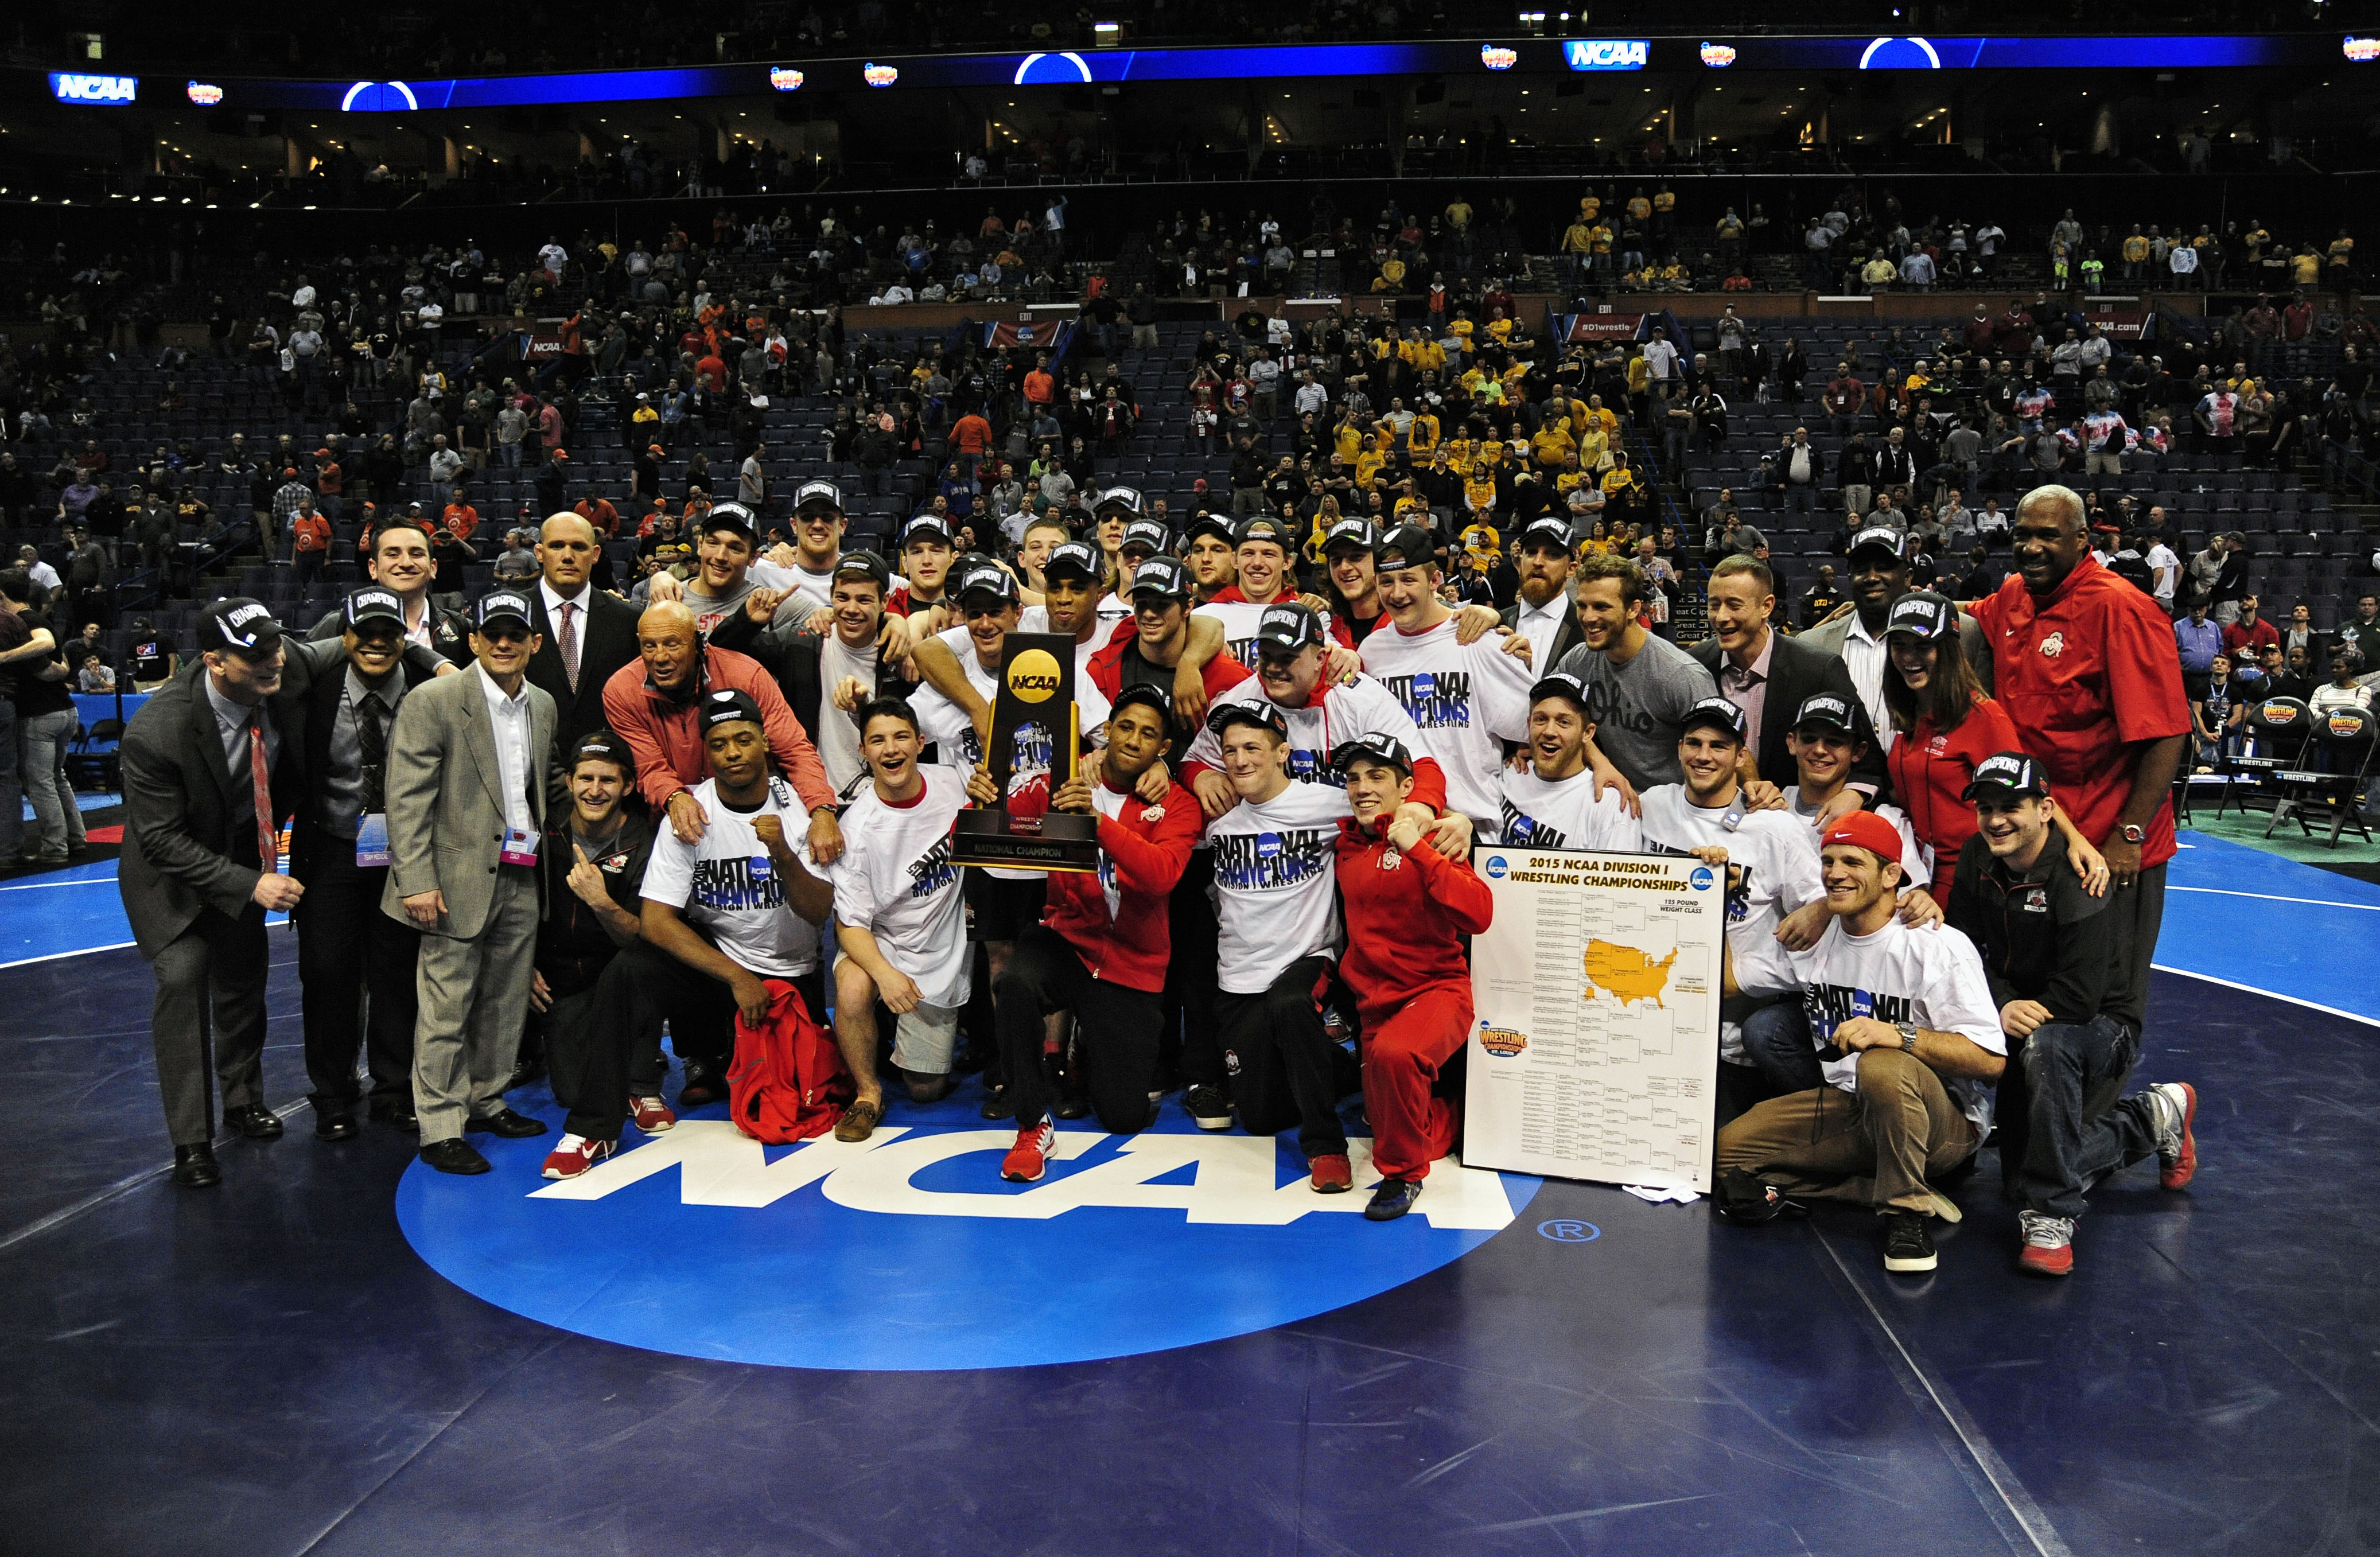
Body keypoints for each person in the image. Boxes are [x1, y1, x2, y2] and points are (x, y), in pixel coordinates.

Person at [1715, 810, 2009, 1275]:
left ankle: (1906, 1213)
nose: (1835, 874)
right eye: (1828, 861)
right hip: (1852, 1107)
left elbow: (1991, 1061)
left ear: (1893, 875)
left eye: (1852, 862)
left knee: (1882, 1063)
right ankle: (1868, 1187)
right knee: (1724, 1159)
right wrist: (1715, 897)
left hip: (1943, 1124)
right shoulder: (1813, 937)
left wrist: (1900, 1035)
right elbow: (1727, 980)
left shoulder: (1935, 945)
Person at [1945, 752, 2200, 1277]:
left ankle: (2052, 1216)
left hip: (2102, 1023)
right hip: (2023, 1011)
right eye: (1986, 807)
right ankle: (2155, 1119)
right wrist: (2000, 1002)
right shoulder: (1976, 855)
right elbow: (1960, 951)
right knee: (2022, 1171)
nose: (1996, 820)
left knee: (2050, 1044)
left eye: (2011, 806)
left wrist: (2003, 1010)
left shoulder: (2079, 872)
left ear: (2046, 809)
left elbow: (2081, 997)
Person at [594, 690, 843, 1175]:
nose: (733, 753)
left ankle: (726, 1052)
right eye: (720, 743)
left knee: (794, 1101)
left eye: (744, 740)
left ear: (765, 744)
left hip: (793, 974)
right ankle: (591, 1127)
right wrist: (736, 977)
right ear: (707, 752)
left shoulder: (802, 810)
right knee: (630, 969)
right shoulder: (690, 812)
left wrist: (785, 856)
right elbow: (656, 920)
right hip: (722, 969)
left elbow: (819, 913)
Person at [1977, 485, 2190, 1043]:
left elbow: (2166, 733)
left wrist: (2130, 833)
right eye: (2022, 534)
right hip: (2049, 838)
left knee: (2104, 1006)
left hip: (2111, 841)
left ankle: (2136, 1123)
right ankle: (2060, 1122)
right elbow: (1966, 615)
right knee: (2049, 997)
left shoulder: (2120, 608)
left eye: (2047, 534)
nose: (2031, 546)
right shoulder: (2013, 597)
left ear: (2081, 540)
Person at [118, 600, 309, 1187]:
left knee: (243, 979)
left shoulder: (282, 667)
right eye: (255, 656)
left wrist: (434, 663)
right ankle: (191, 1139)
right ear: (214, 661)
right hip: (170, 878)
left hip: (242, 850)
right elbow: (163, 843)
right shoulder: (157, 730)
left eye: (275, 646)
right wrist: (250, 882)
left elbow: (338, 644)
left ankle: (243, 1097)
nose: (273, 661)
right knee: (183, 976)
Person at [383, 590, 559, 1175]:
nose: (505, 644)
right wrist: (415, 880)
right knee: (446, 1003)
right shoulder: (433, 699)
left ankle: (486, 1097)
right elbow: (406, 799)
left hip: (521, 869)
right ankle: (439, 1124)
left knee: (506, 997)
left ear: (534, 643)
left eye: (516, 634)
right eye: (494, 635)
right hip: (451, 877)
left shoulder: (543, 703)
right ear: (475, 641)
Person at [993, 684, 1200, 1181]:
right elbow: (1000, 824)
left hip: (1132, 963)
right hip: (1068, 940)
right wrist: (986, 794)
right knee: (1014, 983)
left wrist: (1097, 822)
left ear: (1163, 751)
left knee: (1123, 1117)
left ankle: (1084, 1053)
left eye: (1148, 734)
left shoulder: (1178, 805)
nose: (1133, 740)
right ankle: (1031, 1123)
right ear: (1106, 731)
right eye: (1125, 726)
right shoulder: (1065, 776)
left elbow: (1161, 875)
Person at [282, 587, 457, 1139]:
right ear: (346, 636)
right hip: (332, 848)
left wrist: (432, 659)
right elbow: (283, 653)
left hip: (409, 852)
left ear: (405, 638)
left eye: (390, 632)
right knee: (327, 973)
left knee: (399, 975)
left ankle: (394, 1089)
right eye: (365, 632)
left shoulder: (433, 690)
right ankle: (332, 1094)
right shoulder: (315, 685)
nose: (377, 642)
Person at [1635, 698, 1828, 1124]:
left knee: (1718, 1162)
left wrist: (1745, 972)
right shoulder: (1651, 806)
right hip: (1655, 1016)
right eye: (1694, 743)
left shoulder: (1775, 828)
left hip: (1735, 1037)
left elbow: (1819, 918)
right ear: (1680, 748)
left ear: (1742, 756)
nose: (1704, 756)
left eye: (1719, 746)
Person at [1331, 733, 1495, 1220]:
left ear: (1407, 787)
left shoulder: (1438, 838)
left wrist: (1417, 846)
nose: (1362, 787)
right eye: (1354, 778)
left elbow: (1479, 915)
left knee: (1395, 1056)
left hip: (1437, 991)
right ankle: (1451, 1118)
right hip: (1372, 1001)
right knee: (1395, 1119)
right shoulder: (1343, 843)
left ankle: (1402, 1178)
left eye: (1377, 777)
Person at [1202, 703, 1363, 1190]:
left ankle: (1327, 1147)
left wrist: (1452, 821)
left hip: (1307, 959)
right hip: (1239, 976)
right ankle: (1342, 1069)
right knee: (1260, 1117)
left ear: (1283, 753)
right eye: (1230, 750)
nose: (1239, 759)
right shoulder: (1218, 827)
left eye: (1252, 747)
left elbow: (1396, 802)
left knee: (1292, 1006)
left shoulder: (1328, 803)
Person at [1881, 591, 2107, 904]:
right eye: (1899, 646)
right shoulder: (1910, 715)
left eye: (1923, 646)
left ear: (1948, 649)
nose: (1908, 657)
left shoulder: (1983, 717)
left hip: (1969, 877)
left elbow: (2028, 794)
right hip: (1915, 873)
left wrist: (2074, 838)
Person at [829, 698, 979, 1142]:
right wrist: (886, 975)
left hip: (941, 945)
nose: (890, 750)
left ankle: (902, 1039)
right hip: (882, 944)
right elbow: (850, 925)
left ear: (921, 742)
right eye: (877, 740)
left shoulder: (956, 784)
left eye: (900, 737)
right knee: (854, 987)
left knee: (925, 1090)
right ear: (863, 752)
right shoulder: (857, 828)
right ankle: (867, 1093)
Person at [528, 733, 674, 1179]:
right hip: (560, 974)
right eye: (586, 778)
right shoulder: (543, 831)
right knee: (572, 1092)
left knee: (642, 964)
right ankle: (618, 1081)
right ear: (569, 781)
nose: (596, 790)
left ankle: (642, 1083)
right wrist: (523, 966)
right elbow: (517, 907)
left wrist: (602, 903)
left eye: (608, 780)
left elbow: (646, 934)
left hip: (620, 966)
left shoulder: (645, 841)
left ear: (628, 786)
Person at [603, 600, 842, 859]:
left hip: (755, 814)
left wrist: (822, 809)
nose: (660, 657)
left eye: (673, 644)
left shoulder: (746, 675)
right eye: (649, 646)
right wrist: (675, 798)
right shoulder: (621, 690)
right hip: (674, 821)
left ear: (697, 642)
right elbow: (649, 767)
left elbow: (794, 750)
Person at [1358, 524, 1538, 834]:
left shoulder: (1477, 638)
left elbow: (1536, 725)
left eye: (1409, 579)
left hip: (1470, 827)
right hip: (1397, 826)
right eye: (1387, 581)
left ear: (1436, 580)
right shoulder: (1372, 652)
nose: (1397, 593)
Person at [1688, 555, 1883, 805]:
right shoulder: (1694, 665)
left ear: (1766, 607)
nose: (1722, 617)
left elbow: (1871, 758)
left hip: (1795, 821)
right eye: (1715, 605)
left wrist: (1853, 795)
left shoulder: (1817, 668)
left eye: (1734, 605)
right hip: (1712, 822)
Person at [1799, 526, 1992, 741]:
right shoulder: (1813, 644)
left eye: (1884, 568)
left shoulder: (1965, 634)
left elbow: (1984, 729)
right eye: (1861, 569)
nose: (1872, 577)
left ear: (1908, 576)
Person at [1551, 552, 1719, 794]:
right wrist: (1600, 761)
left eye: (1601, 607)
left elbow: (1720, 753)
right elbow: (1544, 712)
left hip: (1672, 809)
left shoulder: (1680, 674)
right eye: (1582, 606)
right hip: (1612, 799)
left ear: (1633, 609)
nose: (1588, 618)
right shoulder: (1579, 660)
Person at [523, 512, 641, 752]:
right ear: (539, 553)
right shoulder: (513, 619)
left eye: (578, 547)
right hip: (530, 769)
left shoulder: (628, 621)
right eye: (557, 546)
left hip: (608, 771)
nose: (568, 556)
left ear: (595, 554)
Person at [1493, 672, 1640, 851]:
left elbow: (1618, 879)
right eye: (1541, 719)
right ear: (1528, 724)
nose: (1549, 731)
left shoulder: (1609, 807)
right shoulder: (1509, 772)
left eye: (1563, 722)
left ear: (1587, 733)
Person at [309, 516, 475, 667]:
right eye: (393, 554)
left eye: (416, 554)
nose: (405, 563)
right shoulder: (338, 625)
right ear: (373, 568)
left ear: (433, 568)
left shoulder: (461, 627)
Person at [1502, 517, 1580, 671]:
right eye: (1531, 552)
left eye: (1552, 554)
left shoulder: (1587, 629)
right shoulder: (1496, 624)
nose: (1538, 562)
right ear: (1520, 563)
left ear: (1571, 569)